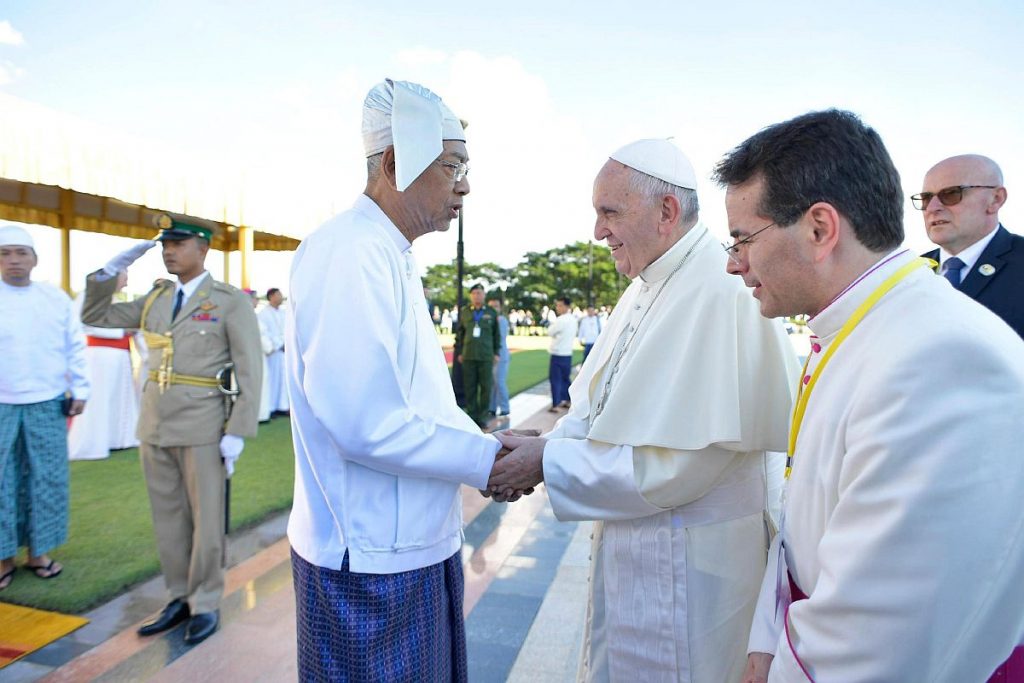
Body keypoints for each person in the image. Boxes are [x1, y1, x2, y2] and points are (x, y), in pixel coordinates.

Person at [714, 110, 1024, 682]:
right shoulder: (861, 327)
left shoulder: (938, 358)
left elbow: (880, 640)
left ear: (819, 228)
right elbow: (808, 513)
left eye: (742, 240)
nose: (734, 264)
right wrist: (768, 635)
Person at [491, 139, 798, 682]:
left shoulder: (721, 288)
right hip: (641, 551)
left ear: (666, 212)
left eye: (609, 213)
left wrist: (546, 463)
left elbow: (683, 465)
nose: (598, 232)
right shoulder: (645, 283)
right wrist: (547, 445)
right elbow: (599, 403)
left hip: (697, 570)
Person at [286, 78, 511, 682]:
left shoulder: (389, 251)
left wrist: (486, 446)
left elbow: (423, 400)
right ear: (392, 163)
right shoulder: (350, 251)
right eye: (452, 166)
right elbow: (366, 424)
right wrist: (487, 461)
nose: (465, 183)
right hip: (368, 567)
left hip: (409, 546)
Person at [82, 214, 262, 645]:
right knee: (169, 519)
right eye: (166, 245)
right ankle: (178, 596)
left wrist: (237, 429)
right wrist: (108, 273)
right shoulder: (155, 298)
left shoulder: (228, 300)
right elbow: (95, 314)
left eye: (179, 243)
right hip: (155, 423)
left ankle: (205, 602)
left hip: (203, 423)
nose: (169, 251)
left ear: (203, 249)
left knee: (206, 521)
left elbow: (249, 368)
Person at [0, 224, 88, 590]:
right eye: (5, 254)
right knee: (2, 481)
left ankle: (39, 553)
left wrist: (80, 387)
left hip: (48, 401)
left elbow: (75, 346)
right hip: (2, 403)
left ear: (35, 259)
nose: (13, 260)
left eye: (21, 253)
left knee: (46, 478)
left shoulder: (55, 299)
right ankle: (4, 558)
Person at [915, 154, 1024, 339]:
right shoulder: (912, 272)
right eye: (926, 199)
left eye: (951, 194)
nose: (932, 208)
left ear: (995, 199)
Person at [68, 270, 140, 460]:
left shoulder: (116, 300)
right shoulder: (88, 296)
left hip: (120, 356)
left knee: (118, 398)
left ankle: (117, 439)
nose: (125, 284)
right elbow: (82, 325)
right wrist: (121, 331)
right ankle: (94, 444)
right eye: (124, 279)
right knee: (100, 399)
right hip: (99, 357)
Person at [455, 283, 501, 427]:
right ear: (471, 295)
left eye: (479, 293)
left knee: (486, 387)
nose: (477, 295)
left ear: (484, 295)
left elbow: (496, 335)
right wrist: (460, 352)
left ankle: (482, 417)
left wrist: (496, 353)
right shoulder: (465, 312)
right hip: (468, 355)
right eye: (474, 293)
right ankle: (472, 416)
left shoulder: (491, 312)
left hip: (486, 356)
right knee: (470, 387)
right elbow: (460, 333)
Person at [259, 288, 289, 416]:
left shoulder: (284, 313)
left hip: (285, 352)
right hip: (272, 352)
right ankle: (271, 408)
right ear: (271, 297)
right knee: (272, 380)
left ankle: (283, 406)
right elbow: (264, 333)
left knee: (284, 379)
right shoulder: (263, 314)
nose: (281, 297)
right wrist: (279, 345)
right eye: (278, 295)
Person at [246, 290, 273, 423]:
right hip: (257, 356)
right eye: (255, 298)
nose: (257, 301)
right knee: (260, 385)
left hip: (248, 356)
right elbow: (261, 338)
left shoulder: (245, 315)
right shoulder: (250, 317)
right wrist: (270, 347)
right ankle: (260, 415)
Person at [546, 296, 576, 411]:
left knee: (555, 379)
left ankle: (555, 404)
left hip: (558, 353)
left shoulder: (561, 320)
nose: (557, 308)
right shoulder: (573, 319)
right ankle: (567, 399)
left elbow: (550, 331)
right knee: (565, 378)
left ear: (566, 306)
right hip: (567, 353)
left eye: (560, 305)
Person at [488, 297, 510, 418]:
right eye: (491, 306)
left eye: (496, 306)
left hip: (500, 355)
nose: (493, 308)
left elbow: (500, 338)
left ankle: (505, 407)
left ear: (500, 308)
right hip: (492, 355)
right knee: (493, 383)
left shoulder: (501, 320)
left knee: (500, 382)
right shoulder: (489, 320)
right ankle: (492, 407)